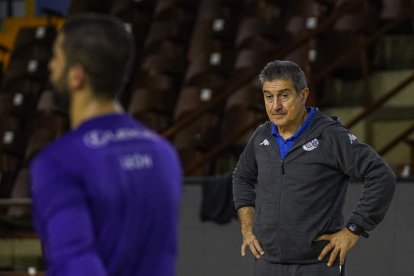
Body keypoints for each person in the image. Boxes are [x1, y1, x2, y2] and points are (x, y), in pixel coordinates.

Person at [30, 14, 182, 276]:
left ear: (76, 76)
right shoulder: (162, 152)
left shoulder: (59, 161)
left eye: (56, 58)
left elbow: (75, 262)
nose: (51, 67)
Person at [232, 60, 396, 276]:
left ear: (303, 94)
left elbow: (382, 176)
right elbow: (242, 176)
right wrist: (247, 228)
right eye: (268, 96)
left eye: (284, 95)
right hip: (267, 264)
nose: (275, 106)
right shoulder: (262, 136)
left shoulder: (331, 136)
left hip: (316, 265)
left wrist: (353, 229)